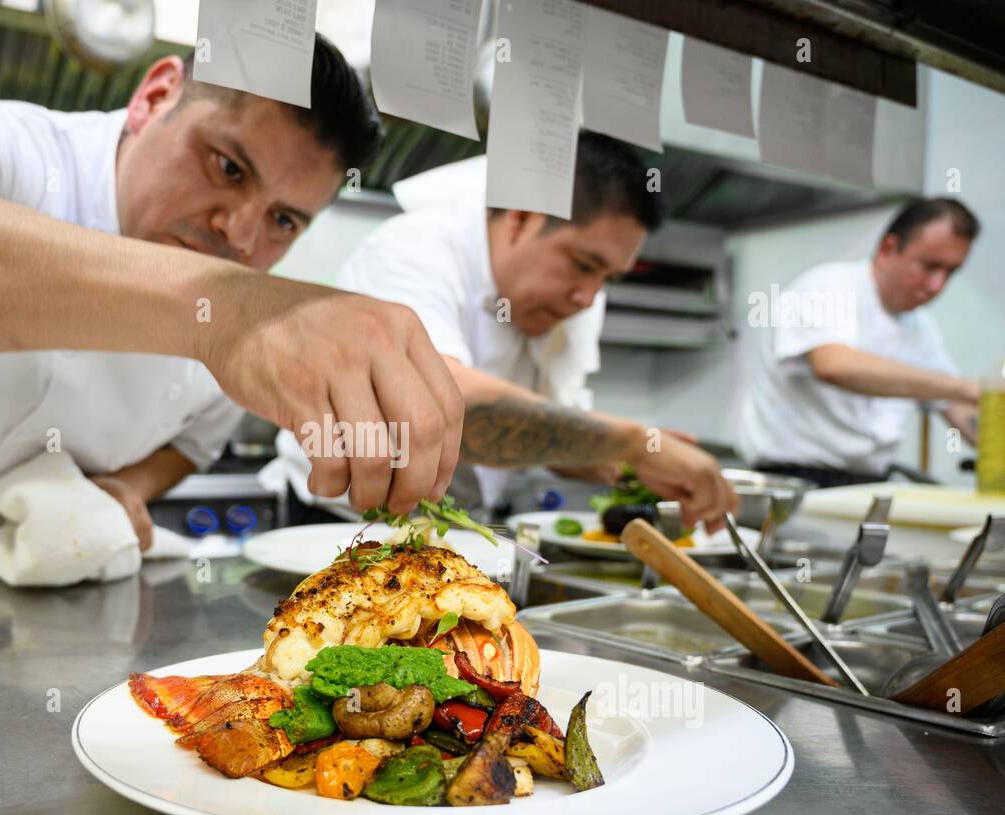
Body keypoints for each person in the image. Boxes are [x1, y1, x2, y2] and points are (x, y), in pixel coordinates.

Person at [0, 37, 465, 586]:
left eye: (284, 221)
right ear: (154, 96)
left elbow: (197, 442)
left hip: (3, 607)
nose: (240, 236)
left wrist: (131, 488)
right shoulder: (2, 148)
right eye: (228, 168)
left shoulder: (252, 309)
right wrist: (215, 310)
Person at [275, 132, 737, 528]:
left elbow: (547, 432)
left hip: (457, 527)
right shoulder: (413, 251)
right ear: (520, 218)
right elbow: (435, 408)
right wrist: (633, 443)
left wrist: (633, 468)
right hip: (342, 527)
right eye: (583, 264)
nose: (588, 297)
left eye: (608, 278)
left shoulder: (577, 301)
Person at [738, 198, 981, 487]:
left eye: (950, 272)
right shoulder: (829, 286)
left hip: (868, 483)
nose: (937, 286)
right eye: (930, 266)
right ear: (888, 249)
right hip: (796, 481)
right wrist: (968, 387)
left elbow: (954, 405)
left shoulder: (920, 327)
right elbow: (834, 366)